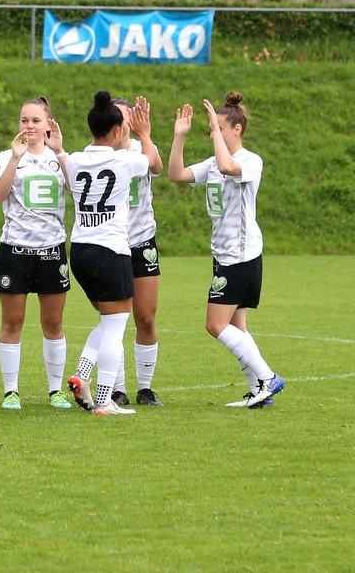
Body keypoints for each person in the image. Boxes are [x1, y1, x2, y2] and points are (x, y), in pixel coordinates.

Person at [167, 92, 285, 408]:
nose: (212, 133)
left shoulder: (250, 161)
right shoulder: (211, 163)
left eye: (218, 128)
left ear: (237, 129)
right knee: (236, 327)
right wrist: (180, 137)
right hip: (224, 254)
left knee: (215, 325)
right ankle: (259, 391)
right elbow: (176, 174)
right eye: (211, 129)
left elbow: (227, 164)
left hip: (241, 255)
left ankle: (268, 379)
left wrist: (216, 133)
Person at [63, 91, 156, 416]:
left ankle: (81, 373)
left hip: (80, 251)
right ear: (117, 131)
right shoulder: (125, 159)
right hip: (110, 251)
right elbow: (152, 162)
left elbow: (69, 171)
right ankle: (104, 399)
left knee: (107, 320)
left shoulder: (74, 160)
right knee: (116, 327)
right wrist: (143, 134)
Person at [0, 97, 73, 411]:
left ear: (49, 124)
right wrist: (14, 159)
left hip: (52, 250)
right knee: (13, 321)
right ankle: (11, 391)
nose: (29, 127)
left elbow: (76, 190)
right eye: (24, 120)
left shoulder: (59, 157)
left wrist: (61, 152)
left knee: (53, 323)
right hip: (15, 250)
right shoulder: (7, 156)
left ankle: (56, 391)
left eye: (36, 121)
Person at [110, 96, 165, 407]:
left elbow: (156, 165)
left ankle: (145, 388)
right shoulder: (99, 155)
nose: (121, 124)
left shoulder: (139, 148)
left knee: (145, 317)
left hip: (141, 240)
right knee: (115, 319)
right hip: (111, 244)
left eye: (126, 118)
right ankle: (118, 387)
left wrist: (145, 134)